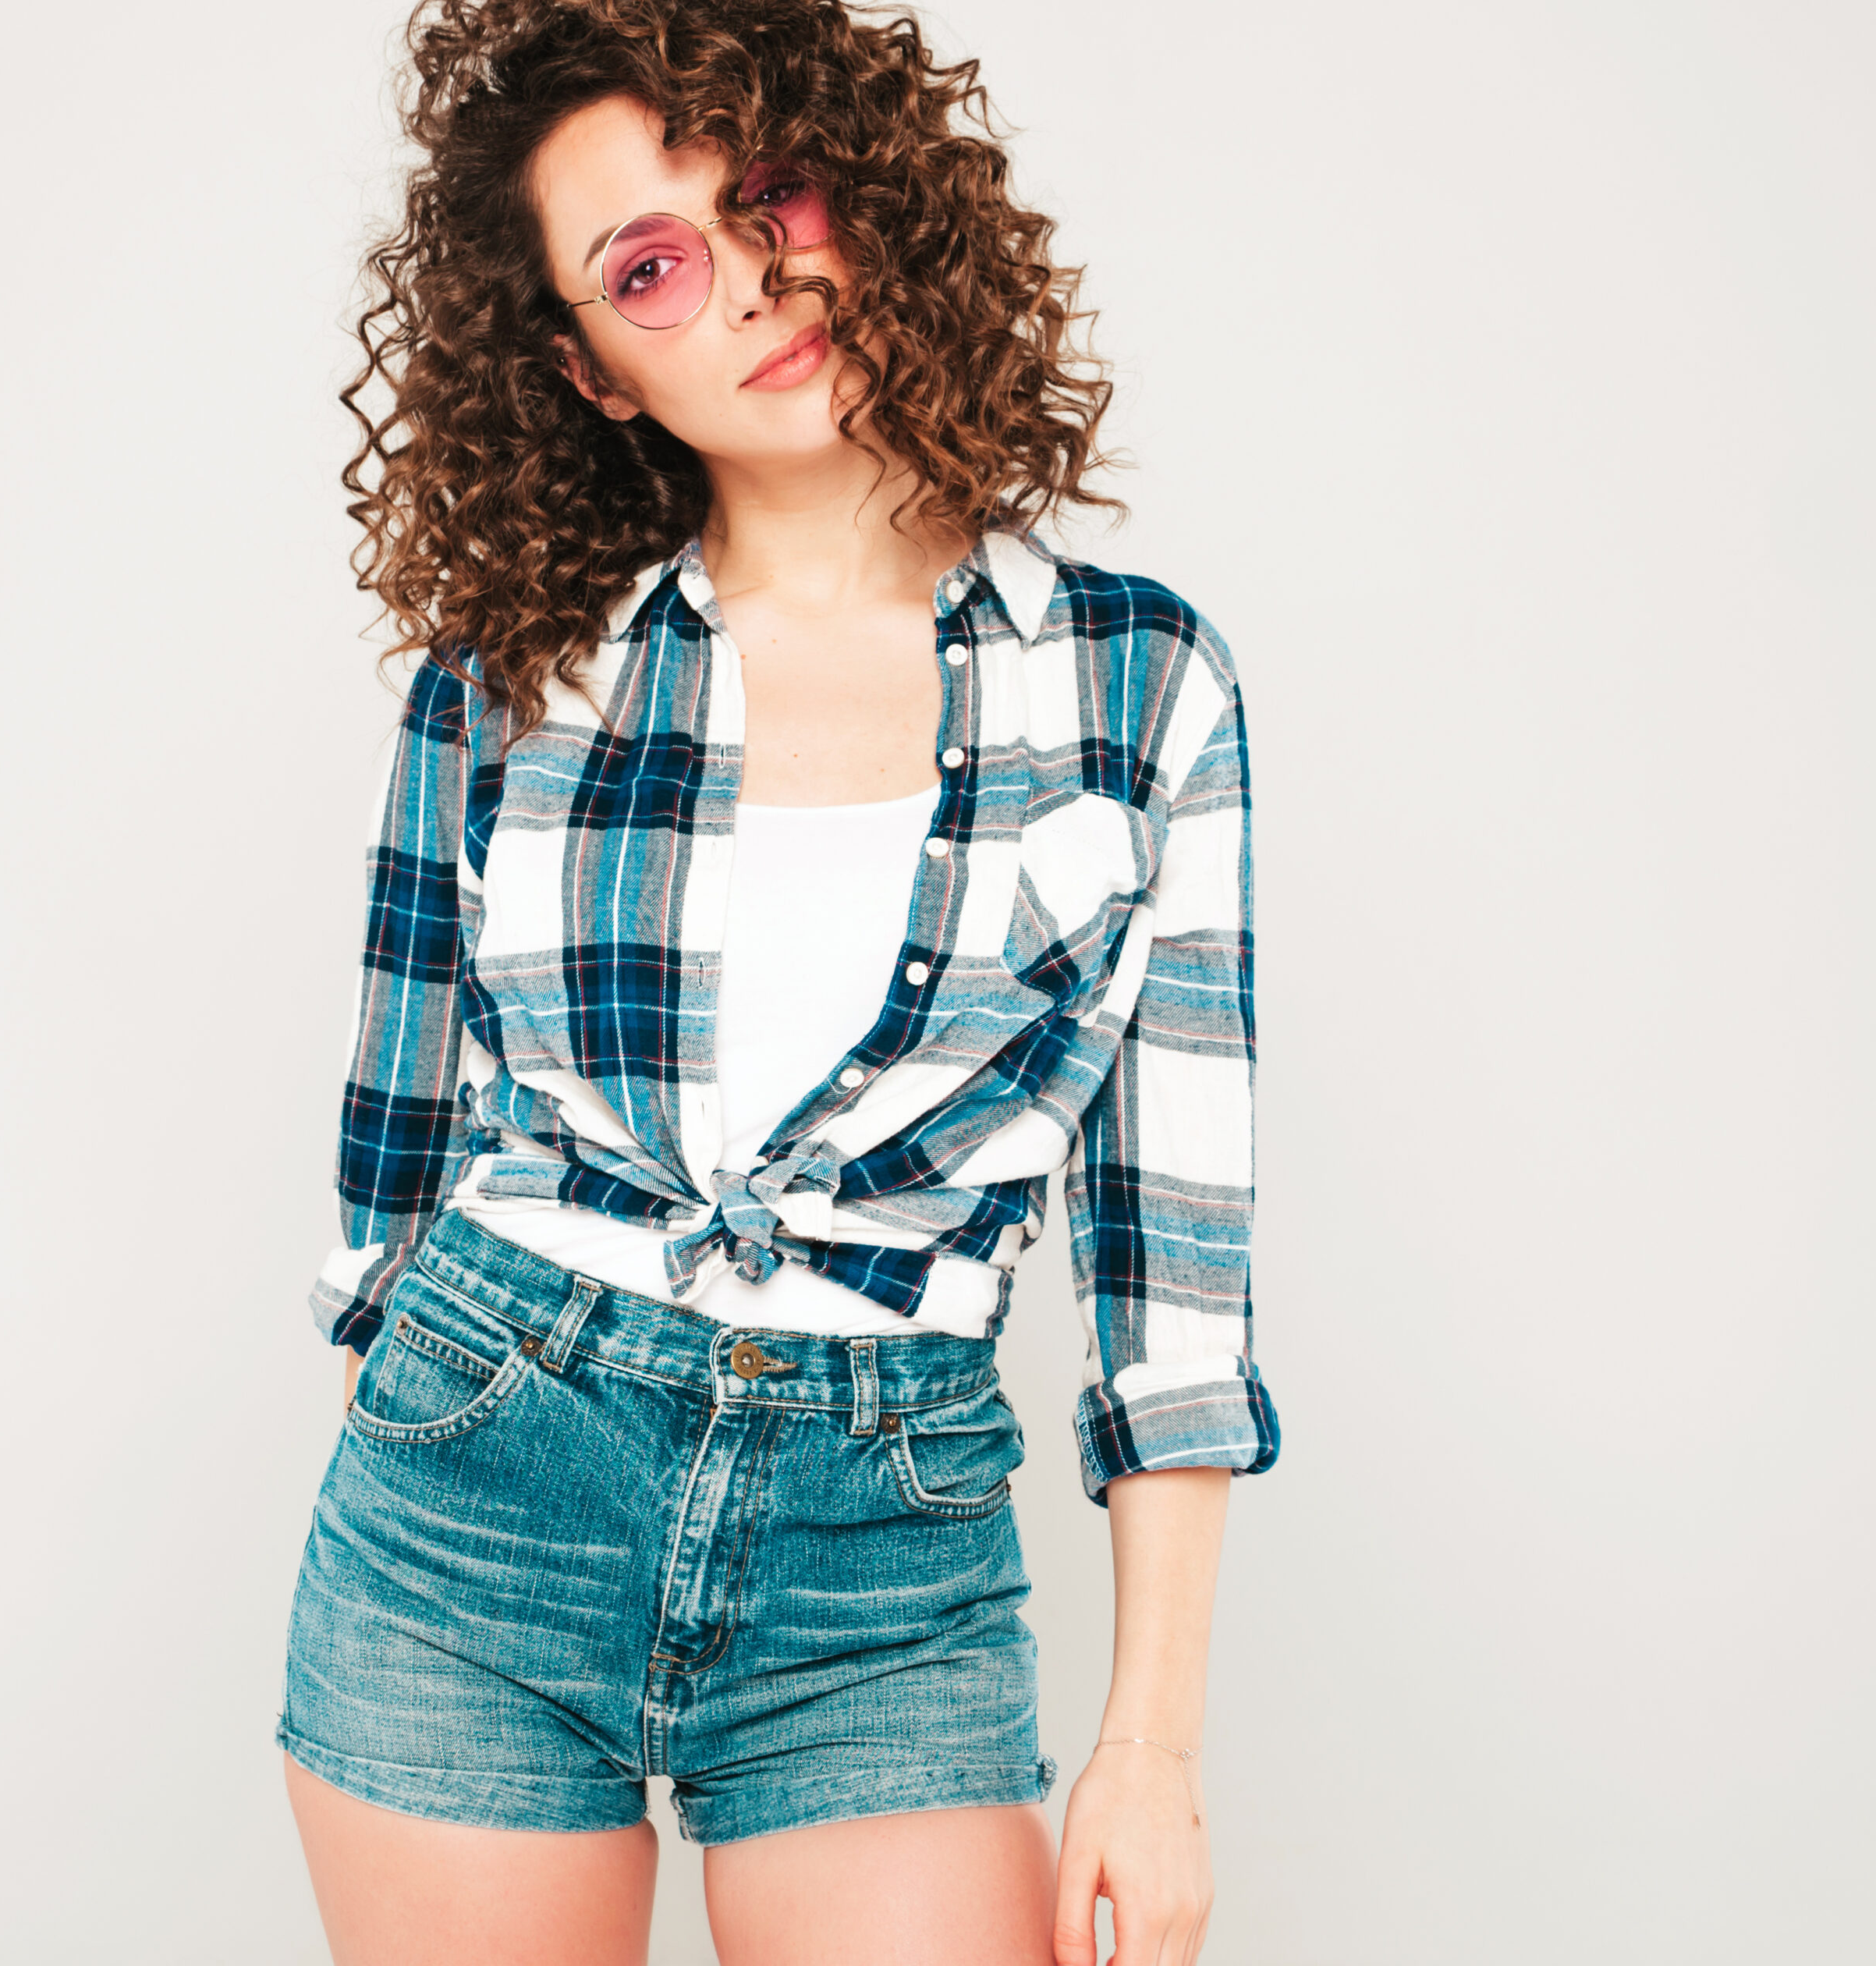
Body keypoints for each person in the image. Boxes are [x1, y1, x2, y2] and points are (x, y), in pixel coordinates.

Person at [278, 4, 1280, 1961]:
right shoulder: (508, 677)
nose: (745, 283)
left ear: (867, 188)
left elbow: (1174, 1265)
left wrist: (1148, 1750)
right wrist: (410, 1476)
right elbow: (391, 1168)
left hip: (878, 1539)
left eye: (764, 197)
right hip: (480, 1484)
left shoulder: (1145, 685)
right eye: (653, 269)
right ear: (591, 372)